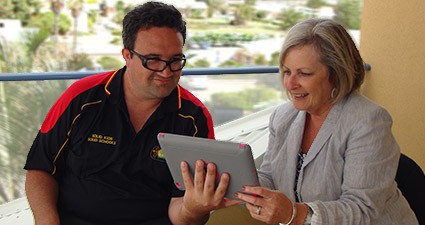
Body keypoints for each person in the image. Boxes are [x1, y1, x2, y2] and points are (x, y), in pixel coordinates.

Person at [24, 2, 238, 225]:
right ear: (127, 55)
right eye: (153, 60)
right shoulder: (82, 98)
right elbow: (41, 167)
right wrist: (47, 221)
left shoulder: (193, 118)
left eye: (175, 60)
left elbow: (181, 211)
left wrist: (193, 210)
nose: (166, 71)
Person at [234, 18, 419, 224]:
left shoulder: (369, 121)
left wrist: (294, 214)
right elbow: (270, 177)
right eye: (287, 72)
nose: (290, 84)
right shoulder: (282, 117)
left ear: (336, 74)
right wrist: (232, 185)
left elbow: (363, 209)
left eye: (304, 73)